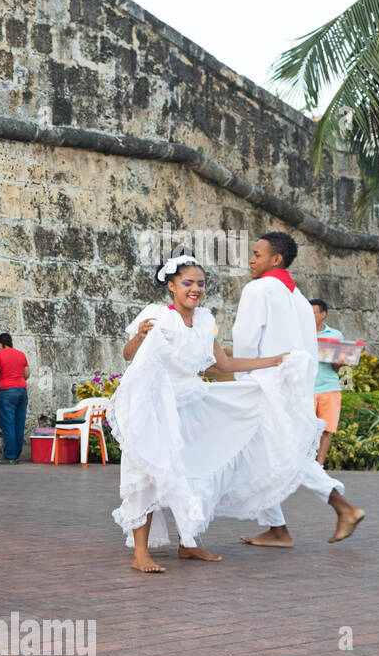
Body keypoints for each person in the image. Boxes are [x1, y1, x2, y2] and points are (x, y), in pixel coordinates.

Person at [108, 253, 322, 573]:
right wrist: (139, 337)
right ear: (171, 286)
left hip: (192, 402)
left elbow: (223, 365)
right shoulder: (158, 316)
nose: (195, 289)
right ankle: (141, 552)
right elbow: (129, 355)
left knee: (194, 470)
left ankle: (188, 543)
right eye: (187, 283)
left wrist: (273, 361)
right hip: (155, 404)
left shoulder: (205, 320)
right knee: (148, 472)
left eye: (200, 284)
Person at [233, 232, 365, 547]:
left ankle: (342, 507)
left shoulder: (258, 289)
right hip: (293, 388)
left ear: (275, 259)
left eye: (256, 254)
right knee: (261, 455)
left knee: (283, 455)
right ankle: (277, 528)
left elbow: (246, 338)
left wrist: (242, 381)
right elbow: (310, 349)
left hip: (263, 384)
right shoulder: (300, 299)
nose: (251, 260)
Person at [309, 298, 343, 465]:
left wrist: (340, 361)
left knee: (326, 431)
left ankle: (318, 467)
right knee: (305, 430)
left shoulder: (335, 335)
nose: (309, 315)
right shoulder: (301, 334)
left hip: (329, 387)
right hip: (306, 389)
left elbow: (337, 367)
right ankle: (302, 466)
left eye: (313, 312)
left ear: (323, 314)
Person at [0, 333, 30, 464]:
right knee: (19, 423)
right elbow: (27, 373)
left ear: (0, 344)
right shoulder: (21, 354)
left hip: (7, 392)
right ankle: (16, 454)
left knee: (8, 424)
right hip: (22, 392)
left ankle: (10, 456)